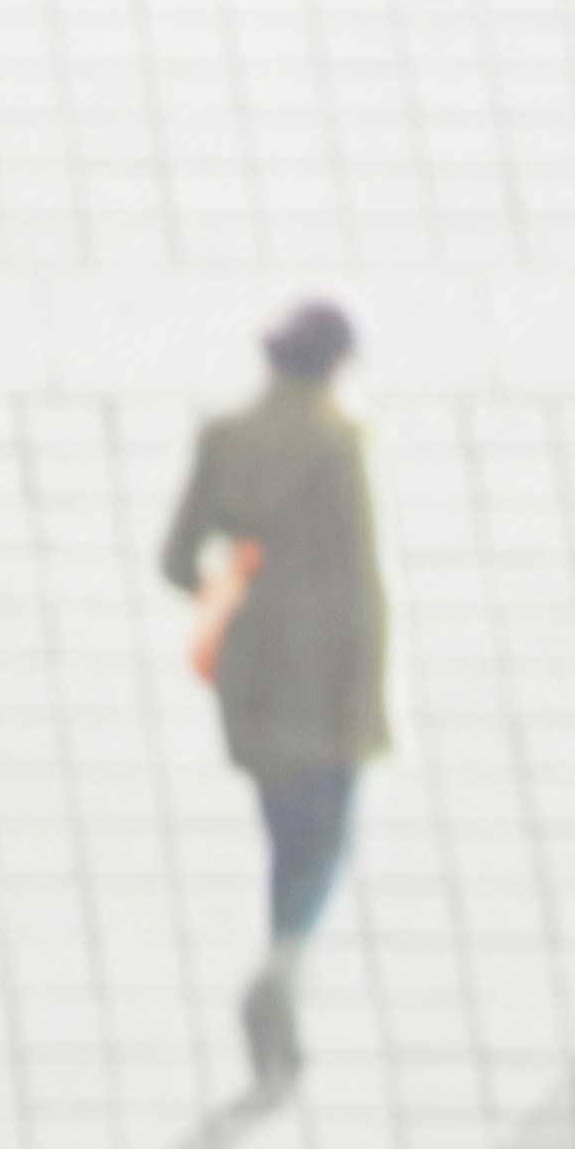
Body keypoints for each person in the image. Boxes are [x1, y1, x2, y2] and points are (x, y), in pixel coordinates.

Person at [158, 300, 388, 1092]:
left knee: (286, 828)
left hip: (253, 666)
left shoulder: (225, 438)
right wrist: (369, 689)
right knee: (327, 836)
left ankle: (281, 975)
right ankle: (283, 968)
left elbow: (178, 559)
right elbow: (359, 580)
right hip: (329, 671)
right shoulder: (337, 443)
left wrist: (231, 590)